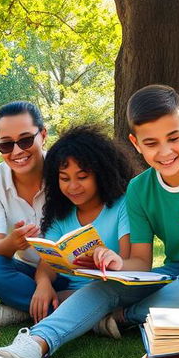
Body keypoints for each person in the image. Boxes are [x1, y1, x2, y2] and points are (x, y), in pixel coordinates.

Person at [0, 84, 179, 358]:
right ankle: (33, 344)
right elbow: (141, 263)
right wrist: (117, 263)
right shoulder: (140, 188)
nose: (165, 151)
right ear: (136, 143)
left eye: (173, 138)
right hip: (174, 271)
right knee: (106, 285)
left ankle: (120, 317)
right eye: (151, 143)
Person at [12, 126, 133, 339]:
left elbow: (131, 260)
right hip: (68, 292)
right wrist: (43, 283)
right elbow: (46, 264)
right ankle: (97, 320)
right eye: (65, 178)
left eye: (82, 176)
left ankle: (24, 311)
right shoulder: (61, 215)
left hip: (111, 291)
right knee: (1, 277)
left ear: (101, 174)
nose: (73, 186)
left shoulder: (121, 206)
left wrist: (111, 259)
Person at [0, 102, 48, 327]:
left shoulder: (65, 170)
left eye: (26, 139)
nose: (17, 151)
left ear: (43, 135)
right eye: (6, 144)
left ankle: (28, 310)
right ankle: (74, 308)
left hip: (71, 268)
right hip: (28, 273)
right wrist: (14, 242)